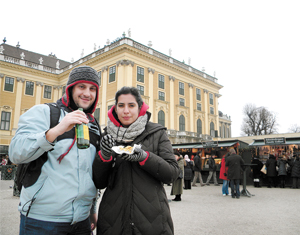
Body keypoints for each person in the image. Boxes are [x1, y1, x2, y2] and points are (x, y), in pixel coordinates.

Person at [9, 66, 101, 235]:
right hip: (42, 220)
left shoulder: (93, 126)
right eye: (82, 86)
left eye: (92, 88)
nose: (87, 93)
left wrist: (91, 209)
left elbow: (90, 173)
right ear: (70, 88)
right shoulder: (44, 112)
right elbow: (16, 152)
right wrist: (57, 130)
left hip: (81, 222)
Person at [92, 86, 179, 235]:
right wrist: (104, 156)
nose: (126, 111)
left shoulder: (157, 133)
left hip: (153, 219)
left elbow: (172, 173)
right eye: (121, 105)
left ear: (140, 108)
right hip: (113, 220)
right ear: (115, 109)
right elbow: (99, 182)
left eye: (131, 105)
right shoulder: (107, 135)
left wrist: (145, 157)